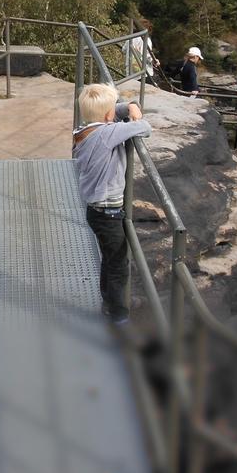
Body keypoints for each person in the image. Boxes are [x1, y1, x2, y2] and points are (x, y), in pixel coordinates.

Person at [72, 84, 152, 324]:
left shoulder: (86, 130)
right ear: (108, 116)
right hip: (108, 212)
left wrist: (128, 106)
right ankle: (119, 312)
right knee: (118, 262)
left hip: (96, 209)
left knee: (109, 256)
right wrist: (136, 112)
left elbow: (114, 113)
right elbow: (144, 128)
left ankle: (109, 299)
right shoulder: (109, 134)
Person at [124, 18, 160, 84]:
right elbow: (147, 56)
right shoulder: (146, 40)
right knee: (157, 81)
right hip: (144, 74)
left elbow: (124, 49)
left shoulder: (130, 38)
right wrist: (154, 61)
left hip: (131, 73)